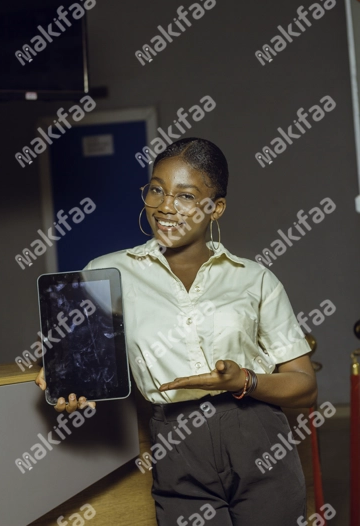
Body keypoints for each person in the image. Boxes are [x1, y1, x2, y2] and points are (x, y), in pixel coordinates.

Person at [35, 137, 317, 526]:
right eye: (156, 190)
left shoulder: (255, 279)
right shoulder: (106, 273)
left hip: (259, 435)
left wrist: (244, 379)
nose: (166, 206)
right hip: (177, 443)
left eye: (185, 196)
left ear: (215, 207)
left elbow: (304, 386)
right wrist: (61, 370)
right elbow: (77, 353)